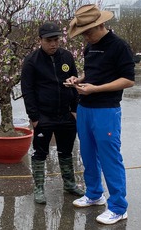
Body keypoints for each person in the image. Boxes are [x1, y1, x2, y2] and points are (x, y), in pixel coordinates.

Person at [65, 4, 135, 225]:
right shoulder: (89, 47)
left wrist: (96, 89)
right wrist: (79, 79)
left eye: (88, 32)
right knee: (87, 153)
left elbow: (128, 79)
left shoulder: (119, 46)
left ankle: (118, 207)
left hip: (106, 109)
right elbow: (92, 72)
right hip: (85, 107)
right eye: (82, 33)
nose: (85, 37)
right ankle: (94, 194)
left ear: (101, 24)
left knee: (109, 157)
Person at [21, 21, 85, 205]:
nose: (53, 44)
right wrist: (34, 117)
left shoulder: (66, 57)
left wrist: (74, 109)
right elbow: (27, 90)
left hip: (66, 115)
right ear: (40, 40)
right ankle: (39, 188)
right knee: (40, 153)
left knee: (66, 151)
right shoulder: (31, 61)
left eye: (56, 40)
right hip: (43, 116)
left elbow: (74, 84)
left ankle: (69, 184)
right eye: (49, 40)